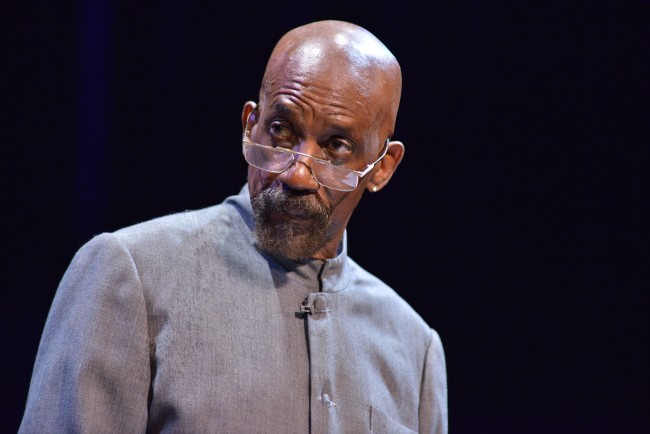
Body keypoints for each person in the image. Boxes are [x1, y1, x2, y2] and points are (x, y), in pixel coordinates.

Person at [19, 19, 448, 433]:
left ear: (382, 167)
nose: (297, 174)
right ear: (250, 126)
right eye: (281, 131)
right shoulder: (132, 275)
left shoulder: (415, 350)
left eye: (336, 147)